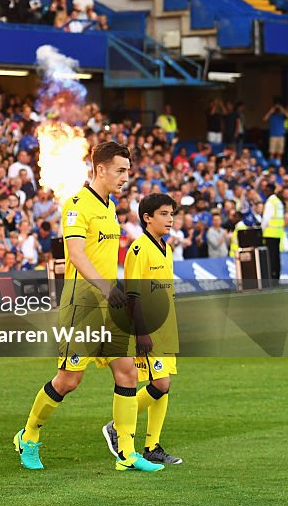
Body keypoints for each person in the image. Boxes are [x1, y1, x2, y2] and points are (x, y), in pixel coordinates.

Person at [13, 142, 163, 472]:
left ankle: (126, 452)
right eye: (121, 170)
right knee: (68, 381)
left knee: (126, 371)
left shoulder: (109, 208)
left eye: (128, 170)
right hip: (82, 305)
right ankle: (29, 435)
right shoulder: (76, 205)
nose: (126, 177)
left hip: (111, 305)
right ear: (100, 169)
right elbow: (77, 256)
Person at [103, 193, 183, 466]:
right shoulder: (139, 249)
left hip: (166, 327)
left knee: (163, 385)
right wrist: (141, 333)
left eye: (171, 213)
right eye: (163, 213)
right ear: (147, 217)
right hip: (148, 329)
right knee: (160, 384)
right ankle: (117, 425)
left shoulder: (166, 248)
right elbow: (133, 295)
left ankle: (152, 445)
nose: (170, 218)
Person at [261, 181, 284, 287]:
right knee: (276, 257)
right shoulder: (279, 202)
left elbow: (266, 218)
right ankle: (276, 277)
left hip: (270, 233)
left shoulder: (270, 202)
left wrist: (261, 229)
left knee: (270, 257)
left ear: (269, 190)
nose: (264, 192)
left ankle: (271, 278)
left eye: (265, 190)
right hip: (278, 233)